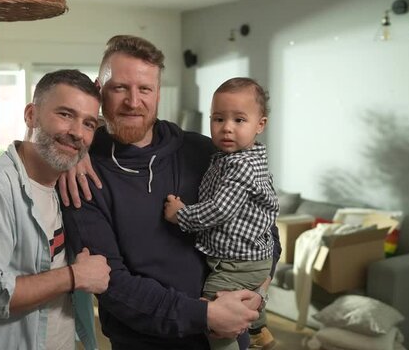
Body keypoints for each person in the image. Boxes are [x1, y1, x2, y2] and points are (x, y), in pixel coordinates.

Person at [60, 35, 281, 350]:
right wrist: (205, 315)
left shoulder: (206, 152)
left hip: (233, 333)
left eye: (145, 89)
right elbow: (112, 284)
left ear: (158, 93)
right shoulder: (83, 176)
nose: (133, 101)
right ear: (99, 90)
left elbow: (264, 225)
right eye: (120, 87)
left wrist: (258, 291)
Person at [0, 69, 111, 350]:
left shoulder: (61, 184)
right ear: (31, 115)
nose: (77, 133)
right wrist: (74, 276)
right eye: (65, 114)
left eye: (89, 124)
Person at [163, 77, 279, 350]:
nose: (226, 128)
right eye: (218, 119)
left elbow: (219, 210)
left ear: (260, 125)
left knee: (217, 313)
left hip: (238, 263)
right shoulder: (232, 157)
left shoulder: (241, 167)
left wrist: (180, 215)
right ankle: (260, 330)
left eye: (239, 120)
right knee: (246, 300)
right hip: (249, 257)